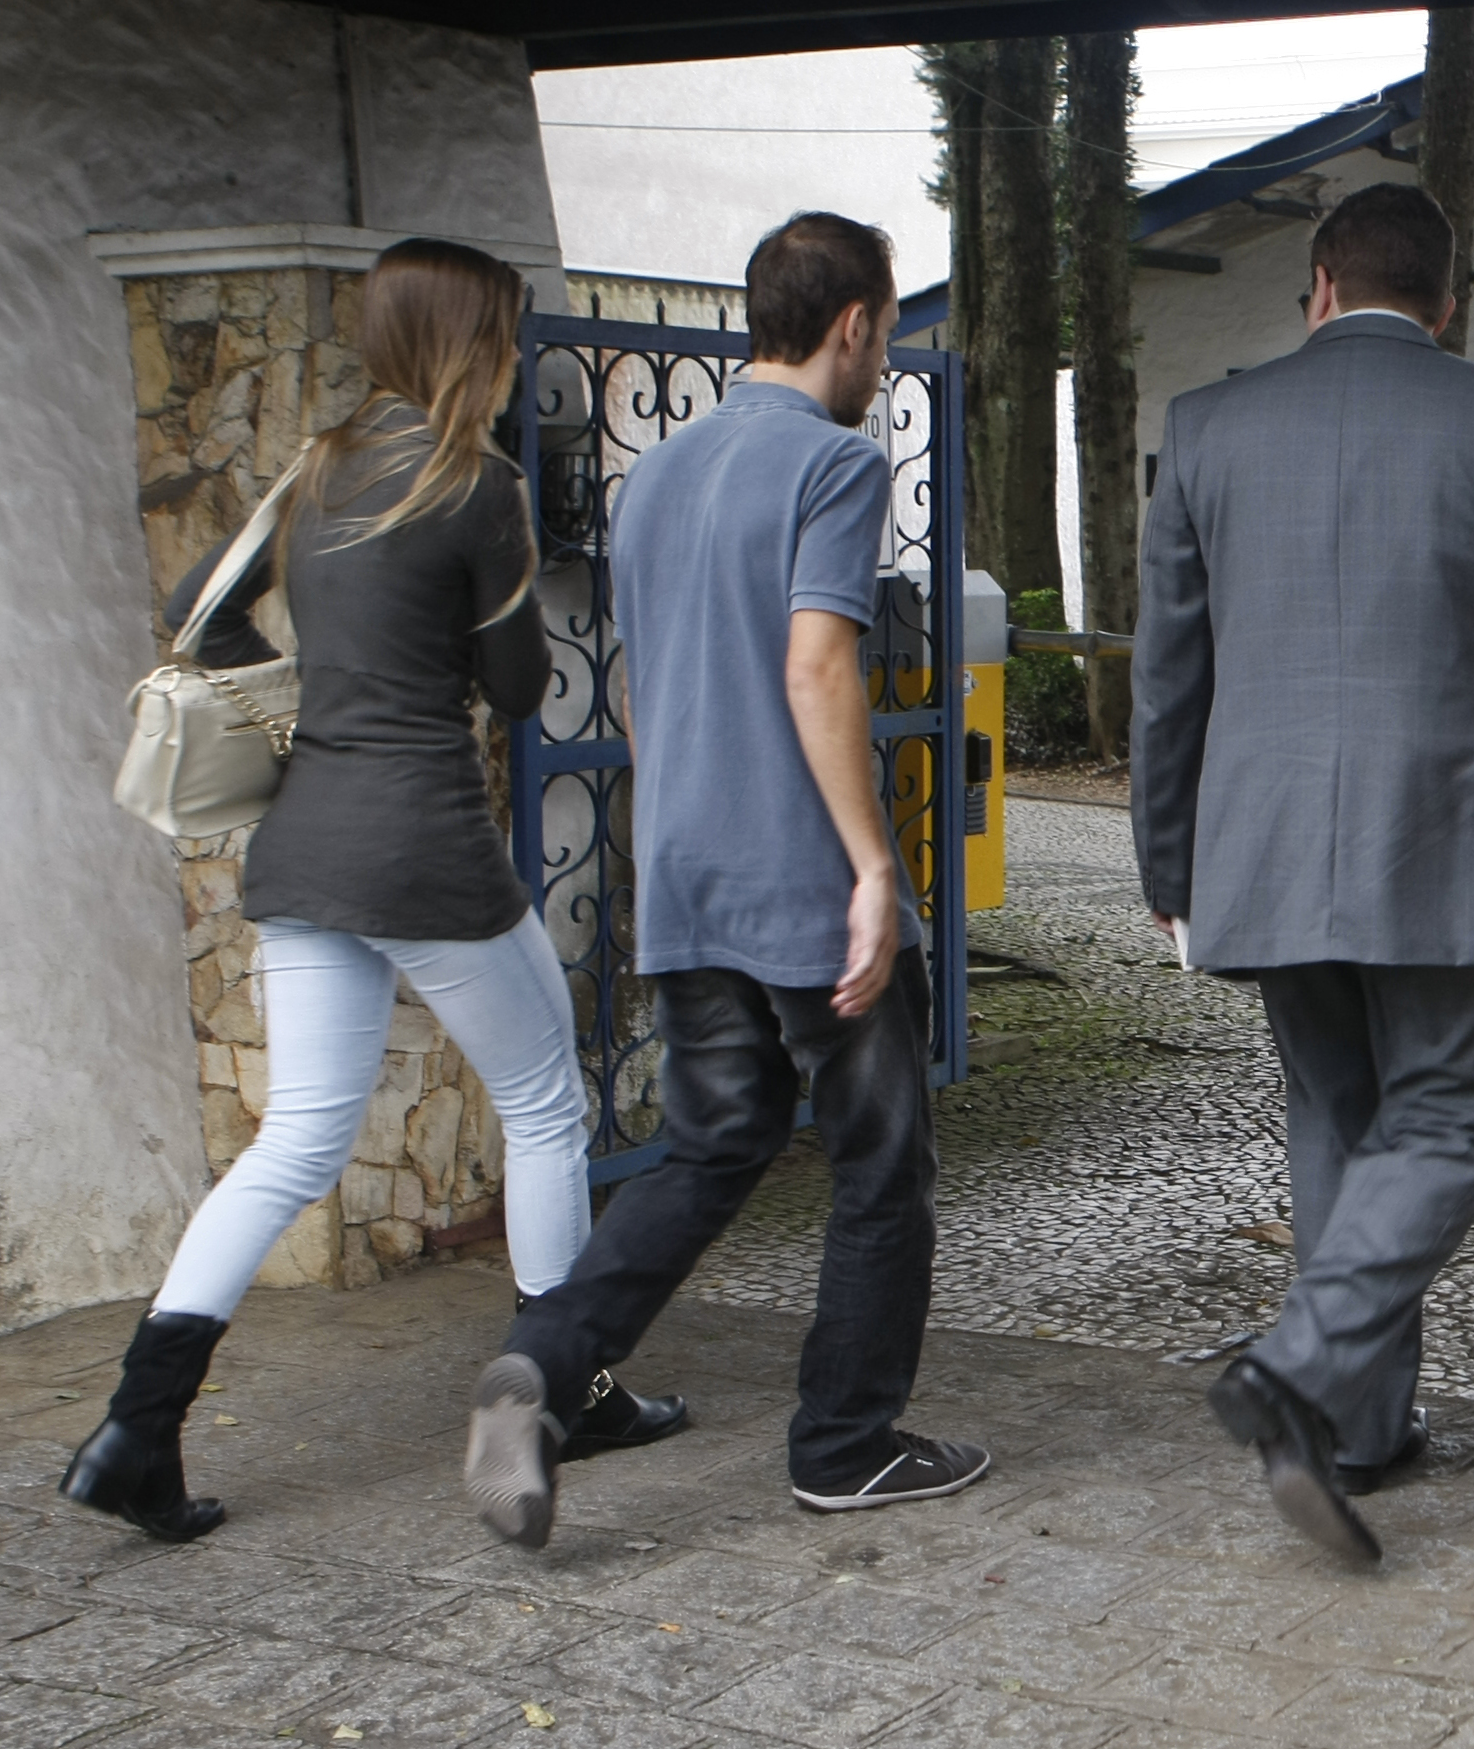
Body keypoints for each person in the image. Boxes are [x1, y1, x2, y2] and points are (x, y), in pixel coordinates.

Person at [64, 237, 688, 1544]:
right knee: (544, 1105)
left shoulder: (315, 467)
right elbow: (518, 690)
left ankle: (135, 1427)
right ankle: (569, 1390)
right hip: (422, 847)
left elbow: (201, 612)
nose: (516, 358)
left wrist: (322, 694)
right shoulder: (478, 486)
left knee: (293, 1143)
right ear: (470, 341)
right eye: (507, 334)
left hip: (301, 850)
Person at [464, 211, 985, 1548]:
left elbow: (635, 689)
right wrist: (873, 864)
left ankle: (546, 1356)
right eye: (885, 332)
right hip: (804, 881)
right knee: (881, 1162)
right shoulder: (831, 465)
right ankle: (845, 1444)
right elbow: (819, 665)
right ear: (857, 323)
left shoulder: (660, 474)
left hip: (684, 869)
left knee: (712, 1142)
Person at [1135, 182, 1474, 1565]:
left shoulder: (1206, 426)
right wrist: (1473, 715)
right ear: (1448, 300)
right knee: (1459, 1110)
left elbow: (1169, 677)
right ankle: (1300, 1369)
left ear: (1318, 285)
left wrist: (1171, 861)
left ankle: (1358, 1430)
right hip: (1447, 834)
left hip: (1264, 843)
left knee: (1336, 1112)